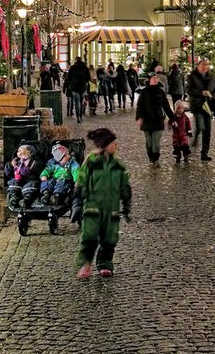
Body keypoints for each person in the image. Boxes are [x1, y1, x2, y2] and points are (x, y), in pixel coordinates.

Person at [74, 127, 131, 279]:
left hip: (111, 208)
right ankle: (85, 265)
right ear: (104, 145)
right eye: (113, 143)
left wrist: (126, 203)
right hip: (92, 207)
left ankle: (105, 263)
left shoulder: (119, 165)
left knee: (109, 238)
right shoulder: (91, 162)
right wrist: (78, 202)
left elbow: (125, 185)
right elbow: (81, 180)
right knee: (89, 236)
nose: (116, 146)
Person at [134, 72, 176, 163]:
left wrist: (172, 119)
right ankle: (150, 155)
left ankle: (155, 158)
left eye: (157, 78)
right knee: (149, 142)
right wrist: (139, 118)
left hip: (158, 120)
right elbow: (140, 106)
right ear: (149, 80)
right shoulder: (144, 92)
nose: (156, 80)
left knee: (156, 141)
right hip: (147, 121)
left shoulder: (160, 91)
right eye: (153, 78)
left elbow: (166, 106)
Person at [187, 58, 215, 161]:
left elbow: (214, 88)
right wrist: (201, 92)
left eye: (207, 65)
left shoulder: (211, 76)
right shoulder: (192, 76)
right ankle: (196, 136)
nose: (205, 67)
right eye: (203, 65)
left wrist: (211, 95)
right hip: (197, 105)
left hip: (207, 106)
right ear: (198, 66)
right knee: (201, 125)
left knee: (207, 129)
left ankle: (204, 153)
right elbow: (189, 90)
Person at [38, 143, 80, 211]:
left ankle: (56, 196)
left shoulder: (72, 163)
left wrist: (77, 180)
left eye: (67, 155)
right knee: (47, 182)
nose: (68, 157)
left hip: (65, 179)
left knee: (61, 185)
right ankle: (46, 194)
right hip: (54, 178)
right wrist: (44, 175)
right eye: (60, 160)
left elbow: (76, 171)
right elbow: (47, 169)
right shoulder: (53, 163)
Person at [4, 142, 40, 207]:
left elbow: (38, 170)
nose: (19, 152)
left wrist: (30, 167)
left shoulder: (34, 161)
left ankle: (26, 200)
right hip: (18, 179)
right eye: (18, 151)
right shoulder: (16, 161)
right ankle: (14, 197)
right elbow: (7, 172)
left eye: (22, 151)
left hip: (29, 180)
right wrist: (11, 165)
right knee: (13, 183)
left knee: (31, 186)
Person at [66, 57, 90, 123]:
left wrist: (71, 84)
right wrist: (84, 82)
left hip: (74, 87)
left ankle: (78, 117)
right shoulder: (85, 68)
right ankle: (81, 116)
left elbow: (68, 77)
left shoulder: (72, 68)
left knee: (76, 102)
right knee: (81, 102)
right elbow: (88, 77)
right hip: (82, 87)